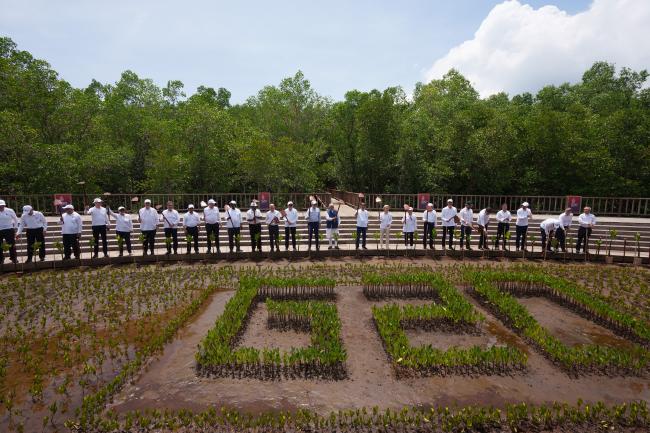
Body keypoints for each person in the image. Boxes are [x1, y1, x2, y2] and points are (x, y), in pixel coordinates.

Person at [0, 200, 19, 264]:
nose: (1, 207)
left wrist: (16, 228)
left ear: (4, 205)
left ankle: (14, 258)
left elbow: (16, 219)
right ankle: (1, 259)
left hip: (9, 229)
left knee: (12, 245)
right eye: (0, 206)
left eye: (2, 205)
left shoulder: (10, 210)